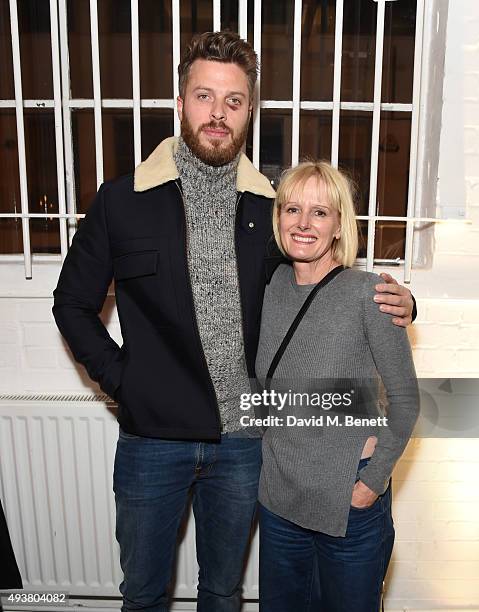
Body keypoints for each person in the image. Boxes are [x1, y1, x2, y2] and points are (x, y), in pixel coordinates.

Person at [52, 31, 415, 612]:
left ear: (249, 112)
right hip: (153, 440)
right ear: (180, 103)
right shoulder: (121, 201)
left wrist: (403, 302)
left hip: (245, 447)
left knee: (223, 592)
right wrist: (124, 381)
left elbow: (318, 273)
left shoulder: (266, 205)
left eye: (234, 100)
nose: (217, 113)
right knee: (143, 594)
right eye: (204, 96)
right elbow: (71, 304)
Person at [255, 161, 420, 612]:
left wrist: (372, 480)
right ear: (279, 218)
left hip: (348, 503)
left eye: (320, 213)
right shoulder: (272, 288)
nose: (304, 223)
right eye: (293, 209)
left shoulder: (370, 294)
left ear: (339, 226)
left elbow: (405, 400)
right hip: (280, 503)